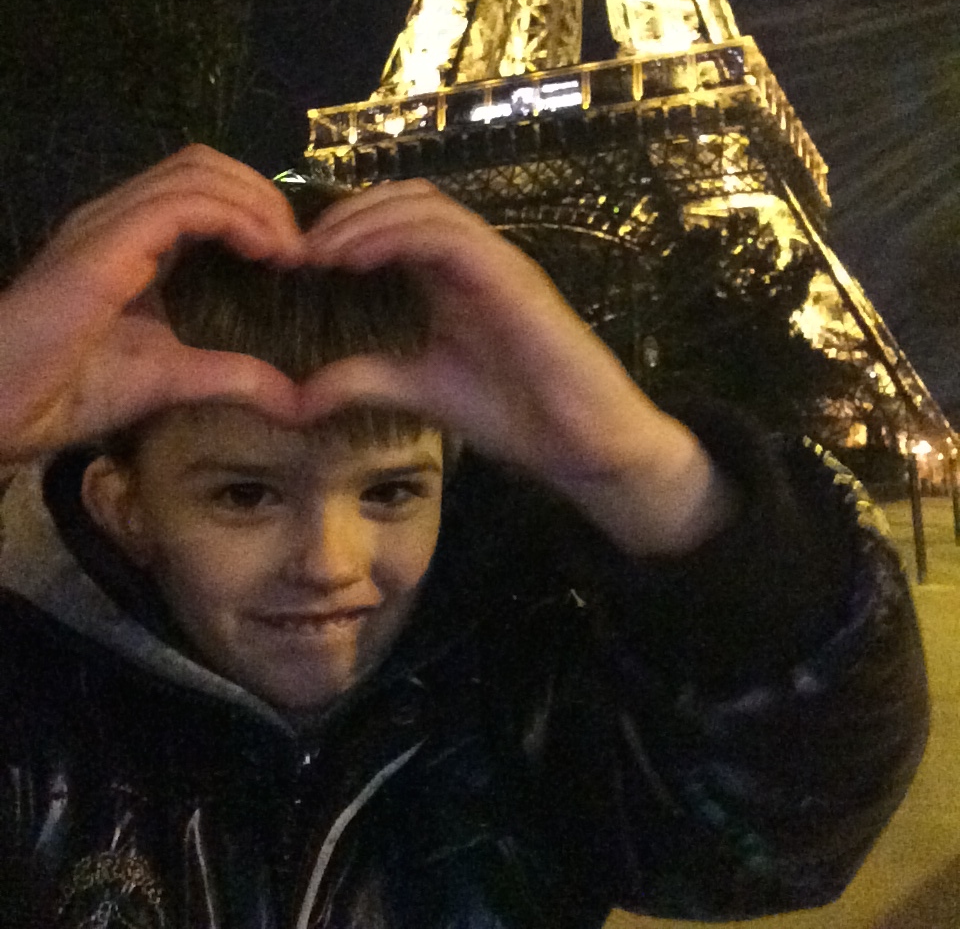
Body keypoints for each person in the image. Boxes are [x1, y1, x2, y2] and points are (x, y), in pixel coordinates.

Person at [0, 145, 928, 928]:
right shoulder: (31, 707)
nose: (329, 563)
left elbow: (800, 819)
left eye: (392, 490)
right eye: (245, 496)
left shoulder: (530, 701)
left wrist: (639, 470)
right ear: (124, 510)